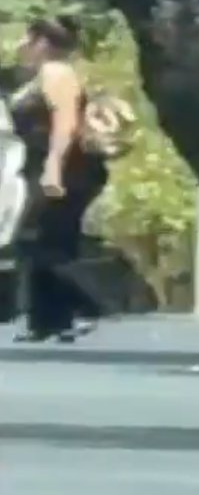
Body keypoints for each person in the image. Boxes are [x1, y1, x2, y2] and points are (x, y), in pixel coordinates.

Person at [10, 17, 109, 343]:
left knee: (37, 238)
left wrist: (54, 167)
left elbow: (65, 122)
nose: (21, 45)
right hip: (47, 165)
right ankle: (49, 320)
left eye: (27, 38)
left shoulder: (57, 73)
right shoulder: (40, 76)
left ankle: (86, 306)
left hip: (68, 168)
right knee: (45, 241)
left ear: (42, 42)